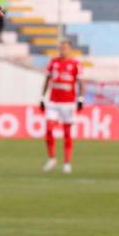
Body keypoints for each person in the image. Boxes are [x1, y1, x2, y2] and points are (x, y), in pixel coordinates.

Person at [40, 39, 83, 174]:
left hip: (68, 102)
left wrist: (80, 99)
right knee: (49, 129)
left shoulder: (76, 64)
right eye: (61, 48)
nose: (62, 50)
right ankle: (52, 158)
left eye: (65, 48)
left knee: (67, 132)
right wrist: (42, 97)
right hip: (53, 101)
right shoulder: (53, 62)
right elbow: (47, 80)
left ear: (70, 49)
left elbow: (80, 83)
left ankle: (67, 162)